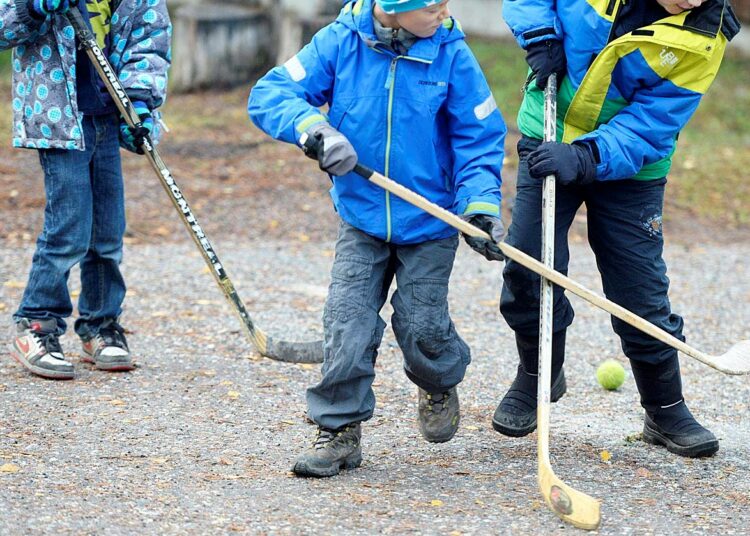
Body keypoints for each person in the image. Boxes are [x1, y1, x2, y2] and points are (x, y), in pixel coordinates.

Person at [249, 0, 507, 477]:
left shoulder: (451, 53)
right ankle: (339, 430)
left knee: (422, 328)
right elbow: (271, 93)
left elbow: (480, 137)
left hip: (430, 225)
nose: (444, 13)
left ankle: (439, 380)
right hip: (362, 217)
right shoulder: (339, 41)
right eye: (432, 5)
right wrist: (314, 129)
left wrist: (481, 206)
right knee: (346, 323)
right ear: (392, 8)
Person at [493, 0, 740, 457]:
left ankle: (665, 409)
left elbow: (652, 124)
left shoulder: (706, 35)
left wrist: (587, 157)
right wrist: (539, 36)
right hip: (550, 136)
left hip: (630, 168)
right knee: (529, 264)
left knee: (639, 290)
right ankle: (538, 373)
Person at [2, 0, 171, 379]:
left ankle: (101, 323)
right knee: (69, 229)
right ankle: (37, 322)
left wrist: (140, 104)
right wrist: (34, 8)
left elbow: (149, 38)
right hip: (58, 118)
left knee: (108, 232)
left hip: (107, 118)